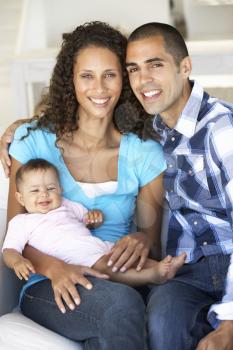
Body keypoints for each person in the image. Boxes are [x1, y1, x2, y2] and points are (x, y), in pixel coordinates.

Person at [0, 21, 168, 349]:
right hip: (47, 282)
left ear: (125, 78)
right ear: (70, 81)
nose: (100, 88)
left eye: (110, 74)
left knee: (119, 308)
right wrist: (56, 268)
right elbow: (16, 234)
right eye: (87, 76)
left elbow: (152, 241)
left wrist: (141, 239)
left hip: (116, 275)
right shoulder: (32, 141)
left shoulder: (143, 152)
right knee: (121, 307)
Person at [125, 22, 233, 350]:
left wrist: (229, 324)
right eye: (133, 69)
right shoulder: (151, 133)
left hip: (229, 259)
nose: (143, 81)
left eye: (155, 65)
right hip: (186, 273)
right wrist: (21, 129)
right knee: (161, 326)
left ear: (184, 67)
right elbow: (86, 116)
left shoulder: (221, 129)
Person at [2, 158, 185, 287]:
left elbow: (88, 218)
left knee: (123, 258)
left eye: (50, 188)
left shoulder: (66, 206)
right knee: (110, 268)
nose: (44, 194)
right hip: (75, 258)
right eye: (35, 191)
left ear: (60, 189)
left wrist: (95, 217)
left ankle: (163, 267)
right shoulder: (21, 222)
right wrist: (17, 261)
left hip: (96, 246)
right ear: (20, 198)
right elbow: (9, 250)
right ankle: (154, 276)